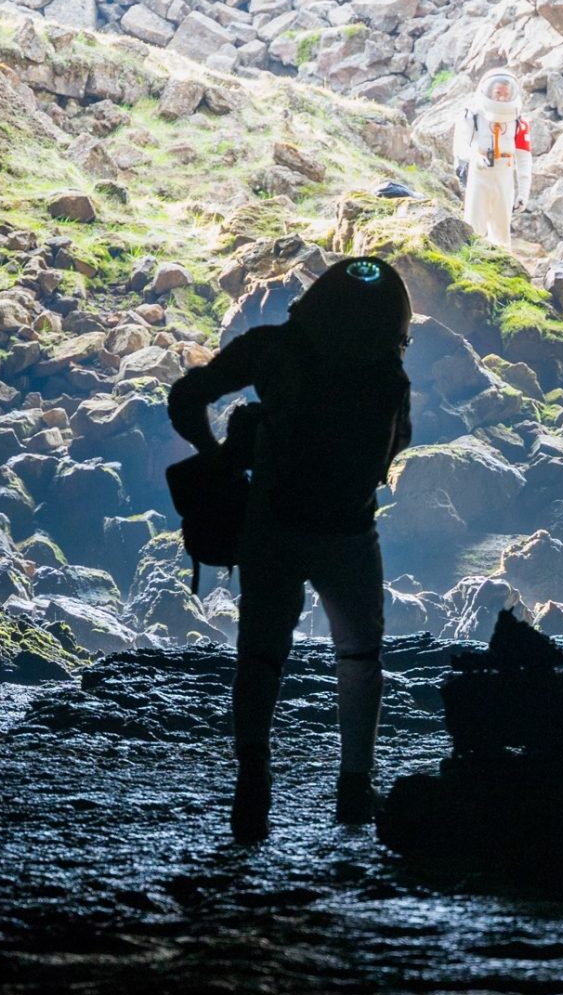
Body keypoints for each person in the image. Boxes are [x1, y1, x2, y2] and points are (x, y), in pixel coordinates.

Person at [167, 256, 415, 840]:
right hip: (350, 531)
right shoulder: (388, 375)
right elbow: (396, 446)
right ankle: (355, 789)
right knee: (358, 660)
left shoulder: (271, 347)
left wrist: (219, 458)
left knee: (260, 658)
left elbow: (187, 397)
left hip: (272, 525)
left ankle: (251, 785)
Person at [451, 68, 532, 254]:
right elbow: (460, 146)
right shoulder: (472, 115)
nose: (502, 98)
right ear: (487, 91)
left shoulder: (519, 122)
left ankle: (503, 270)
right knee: (473, 224)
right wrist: (475, 158)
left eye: (506, 94)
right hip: (479, 174)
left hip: (505, 174)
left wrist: (524, 192)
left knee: (502, 229)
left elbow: (524, 157)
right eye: (498, 93)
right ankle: (470, 263)